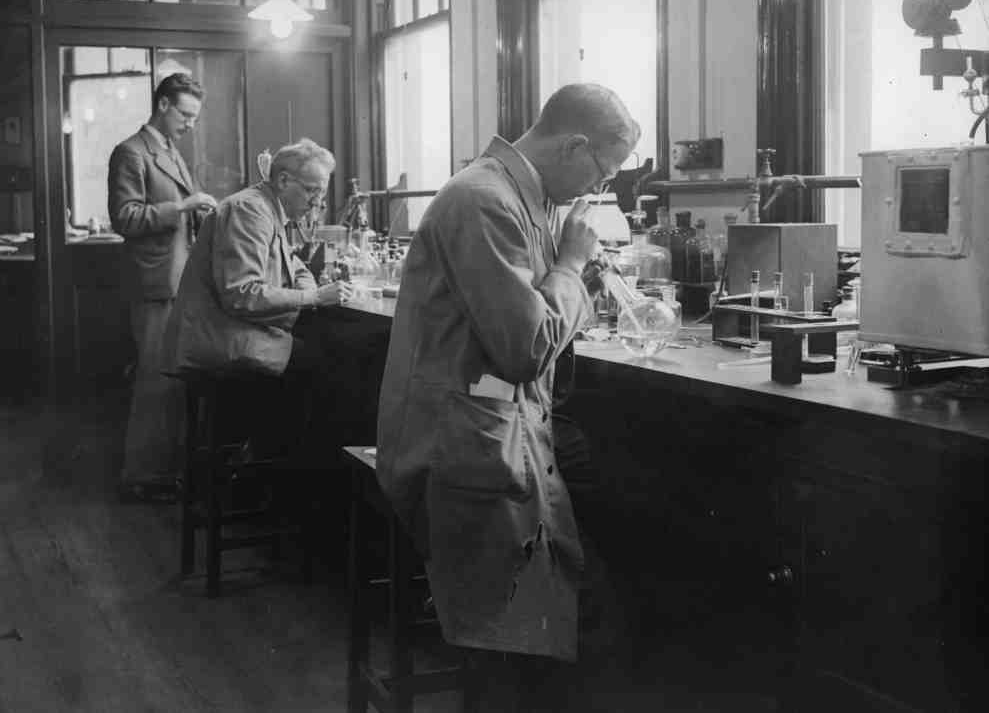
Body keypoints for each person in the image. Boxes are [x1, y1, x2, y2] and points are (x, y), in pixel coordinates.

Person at [376, 83, 640, 710]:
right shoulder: (483, 199)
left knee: (598, 563)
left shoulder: (521, 196)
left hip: (496, 425)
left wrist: (574, 273)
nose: (598, 188)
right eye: (603, 173)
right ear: (574, 146)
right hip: (462, 449)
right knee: (542, 633)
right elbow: (525, 347)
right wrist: (570, 265)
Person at [109, 72, 218, 502]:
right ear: (164, 105)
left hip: (177, 280)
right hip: (153, 283)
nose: (191, 124)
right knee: (154, 380)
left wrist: (200, 213)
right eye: (185, 114)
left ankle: (164, 472)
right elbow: (125, 217)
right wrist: (183, 206)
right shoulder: (131, 152)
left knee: (169, 380)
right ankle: (141, 478)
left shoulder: (170, 151)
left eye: (195, 117)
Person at [163, 137, 352, 381]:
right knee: (332, 363)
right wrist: (314, 297)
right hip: (222, 342)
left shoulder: (269, 209)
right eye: (310, 190)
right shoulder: (250, 210)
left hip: (237, 332)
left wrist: (310, 291)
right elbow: (242, 294)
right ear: (283, 181)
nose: (316, 202)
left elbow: (296, 267)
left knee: (328, 353)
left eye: (321, 192)